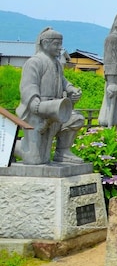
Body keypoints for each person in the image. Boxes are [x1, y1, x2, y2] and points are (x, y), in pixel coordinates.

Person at [15, 28, 86, 165]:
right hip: (38, 113)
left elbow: (64, 82)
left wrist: (72, 90)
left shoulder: (57, 64)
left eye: (60, 44)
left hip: (57, 110)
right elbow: (29, 86)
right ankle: (14, 146)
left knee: (76, 118)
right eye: (56, 44)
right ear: (45, 43)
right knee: (34, 160)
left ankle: (62, 152)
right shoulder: (35, 62)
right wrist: (34, 103)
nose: (60, 48)